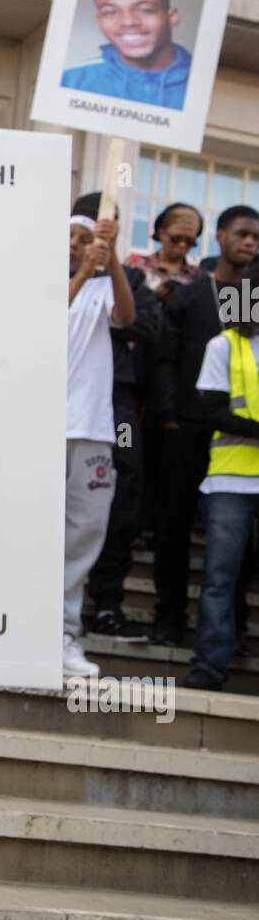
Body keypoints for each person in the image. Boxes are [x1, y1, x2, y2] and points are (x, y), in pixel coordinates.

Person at [151, 204, 259, 646]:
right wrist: (170, 416)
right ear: (219, 236)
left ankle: (231, 626)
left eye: (256, 237)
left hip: (234, 437)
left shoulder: (248, 297)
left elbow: (239, 348)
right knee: (174, 526)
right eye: (242, 234)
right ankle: (170, 617)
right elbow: (165, 358)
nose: (249, 242)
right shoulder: (196, 293)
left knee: (237, 544)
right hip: (188, 429)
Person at [64, 194, 135, 677]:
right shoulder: (39, 284)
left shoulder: (102, 290)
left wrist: (111, 261)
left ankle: (63, 636)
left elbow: (127, 318)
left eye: (85, 239)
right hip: (38, 426)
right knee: (33, 534)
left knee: (84, 532)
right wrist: (84, 270)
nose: (75, 245)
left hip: (91, 429)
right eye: (69, 237)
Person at [186, 263, 259, 690]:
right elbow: (210, 410)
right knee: (219, 579)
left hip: (233, 485)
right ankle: (208, 670)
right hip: (230, 482)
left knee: (222, 579)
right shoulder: (224, 345)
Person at [86, 244, 160, 641]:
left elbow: (149, 325)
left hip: (116, 403)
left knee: (125, 483)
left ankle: (108, 602)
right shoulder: (45, 266)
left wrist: (106, 308)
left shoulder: (128, 277)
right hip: (55, 394)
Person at [126, 203, 205, 544]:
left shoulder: (204, 281)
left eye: (191, 242)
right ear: (159, 232)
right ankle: (134, 525)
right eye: (177, 238)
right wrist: (151, 301)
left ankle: (163, 528)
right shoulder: (133, 268)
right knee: (133, 454)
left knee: (171, 461)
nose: (183, 247)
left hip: (180, 386)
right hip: (135, 378)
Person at [61, 0, 191, 111]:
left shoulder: (204, 83)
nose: (128, 21)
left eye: (144, 10)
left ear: (172, 18)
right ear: (99, 22)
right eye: (110, 12)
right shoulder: (71, 80)